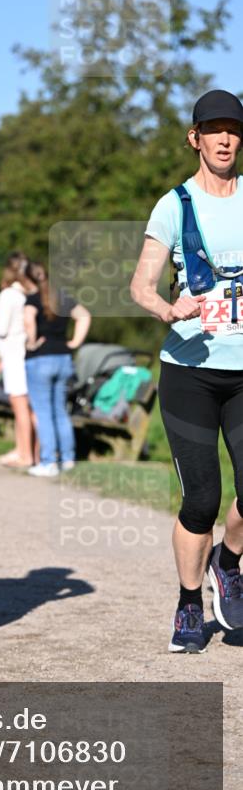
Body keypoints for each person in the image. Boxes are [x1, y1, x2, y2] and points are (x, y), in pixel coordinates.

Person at [130, 89, 243, 652]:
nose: (225, 139)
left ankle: (231, 561)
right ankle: (188, 605)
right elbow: (140, 287)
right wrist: (167, 308)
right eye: (214, 129)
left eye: (234, 130)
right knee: (202, 498)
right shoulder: (175, 205)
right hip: (190, 372)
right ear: (196, 138)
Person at [24, 262, 91, 476]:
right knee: (60, 411)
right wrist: (74, 342)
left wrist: (31, 342)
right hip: (63, 357)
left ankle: (48, 462)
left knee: (43, 413)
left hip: (40, 359)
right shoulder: (64, 297)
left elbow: (27, 320)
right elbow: (84, 315)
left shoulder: (32, 298)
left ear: (29, 280)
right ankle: (68, 458)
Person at [0, 260, 35, 468]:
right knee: (26, 406)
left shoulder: (7, 295)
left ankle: (25, 454)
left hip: (13, 354)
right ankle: (25, 450)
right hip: (24, 353)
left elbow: (1, 329)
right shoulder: (26, 295)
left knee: (20, 406)